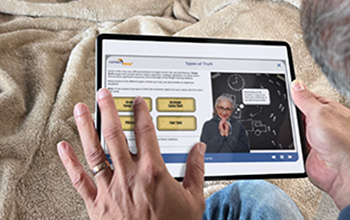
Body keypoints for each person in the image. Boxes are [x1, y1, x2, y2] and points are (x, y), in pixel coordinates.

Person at [57, 0, 350, 219]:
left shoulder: (235, 127)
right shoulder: (210, 125)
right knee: (259, 195)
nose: (224, 111)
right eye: (220, 107)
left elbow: (238, 148)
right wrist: (344, 179)